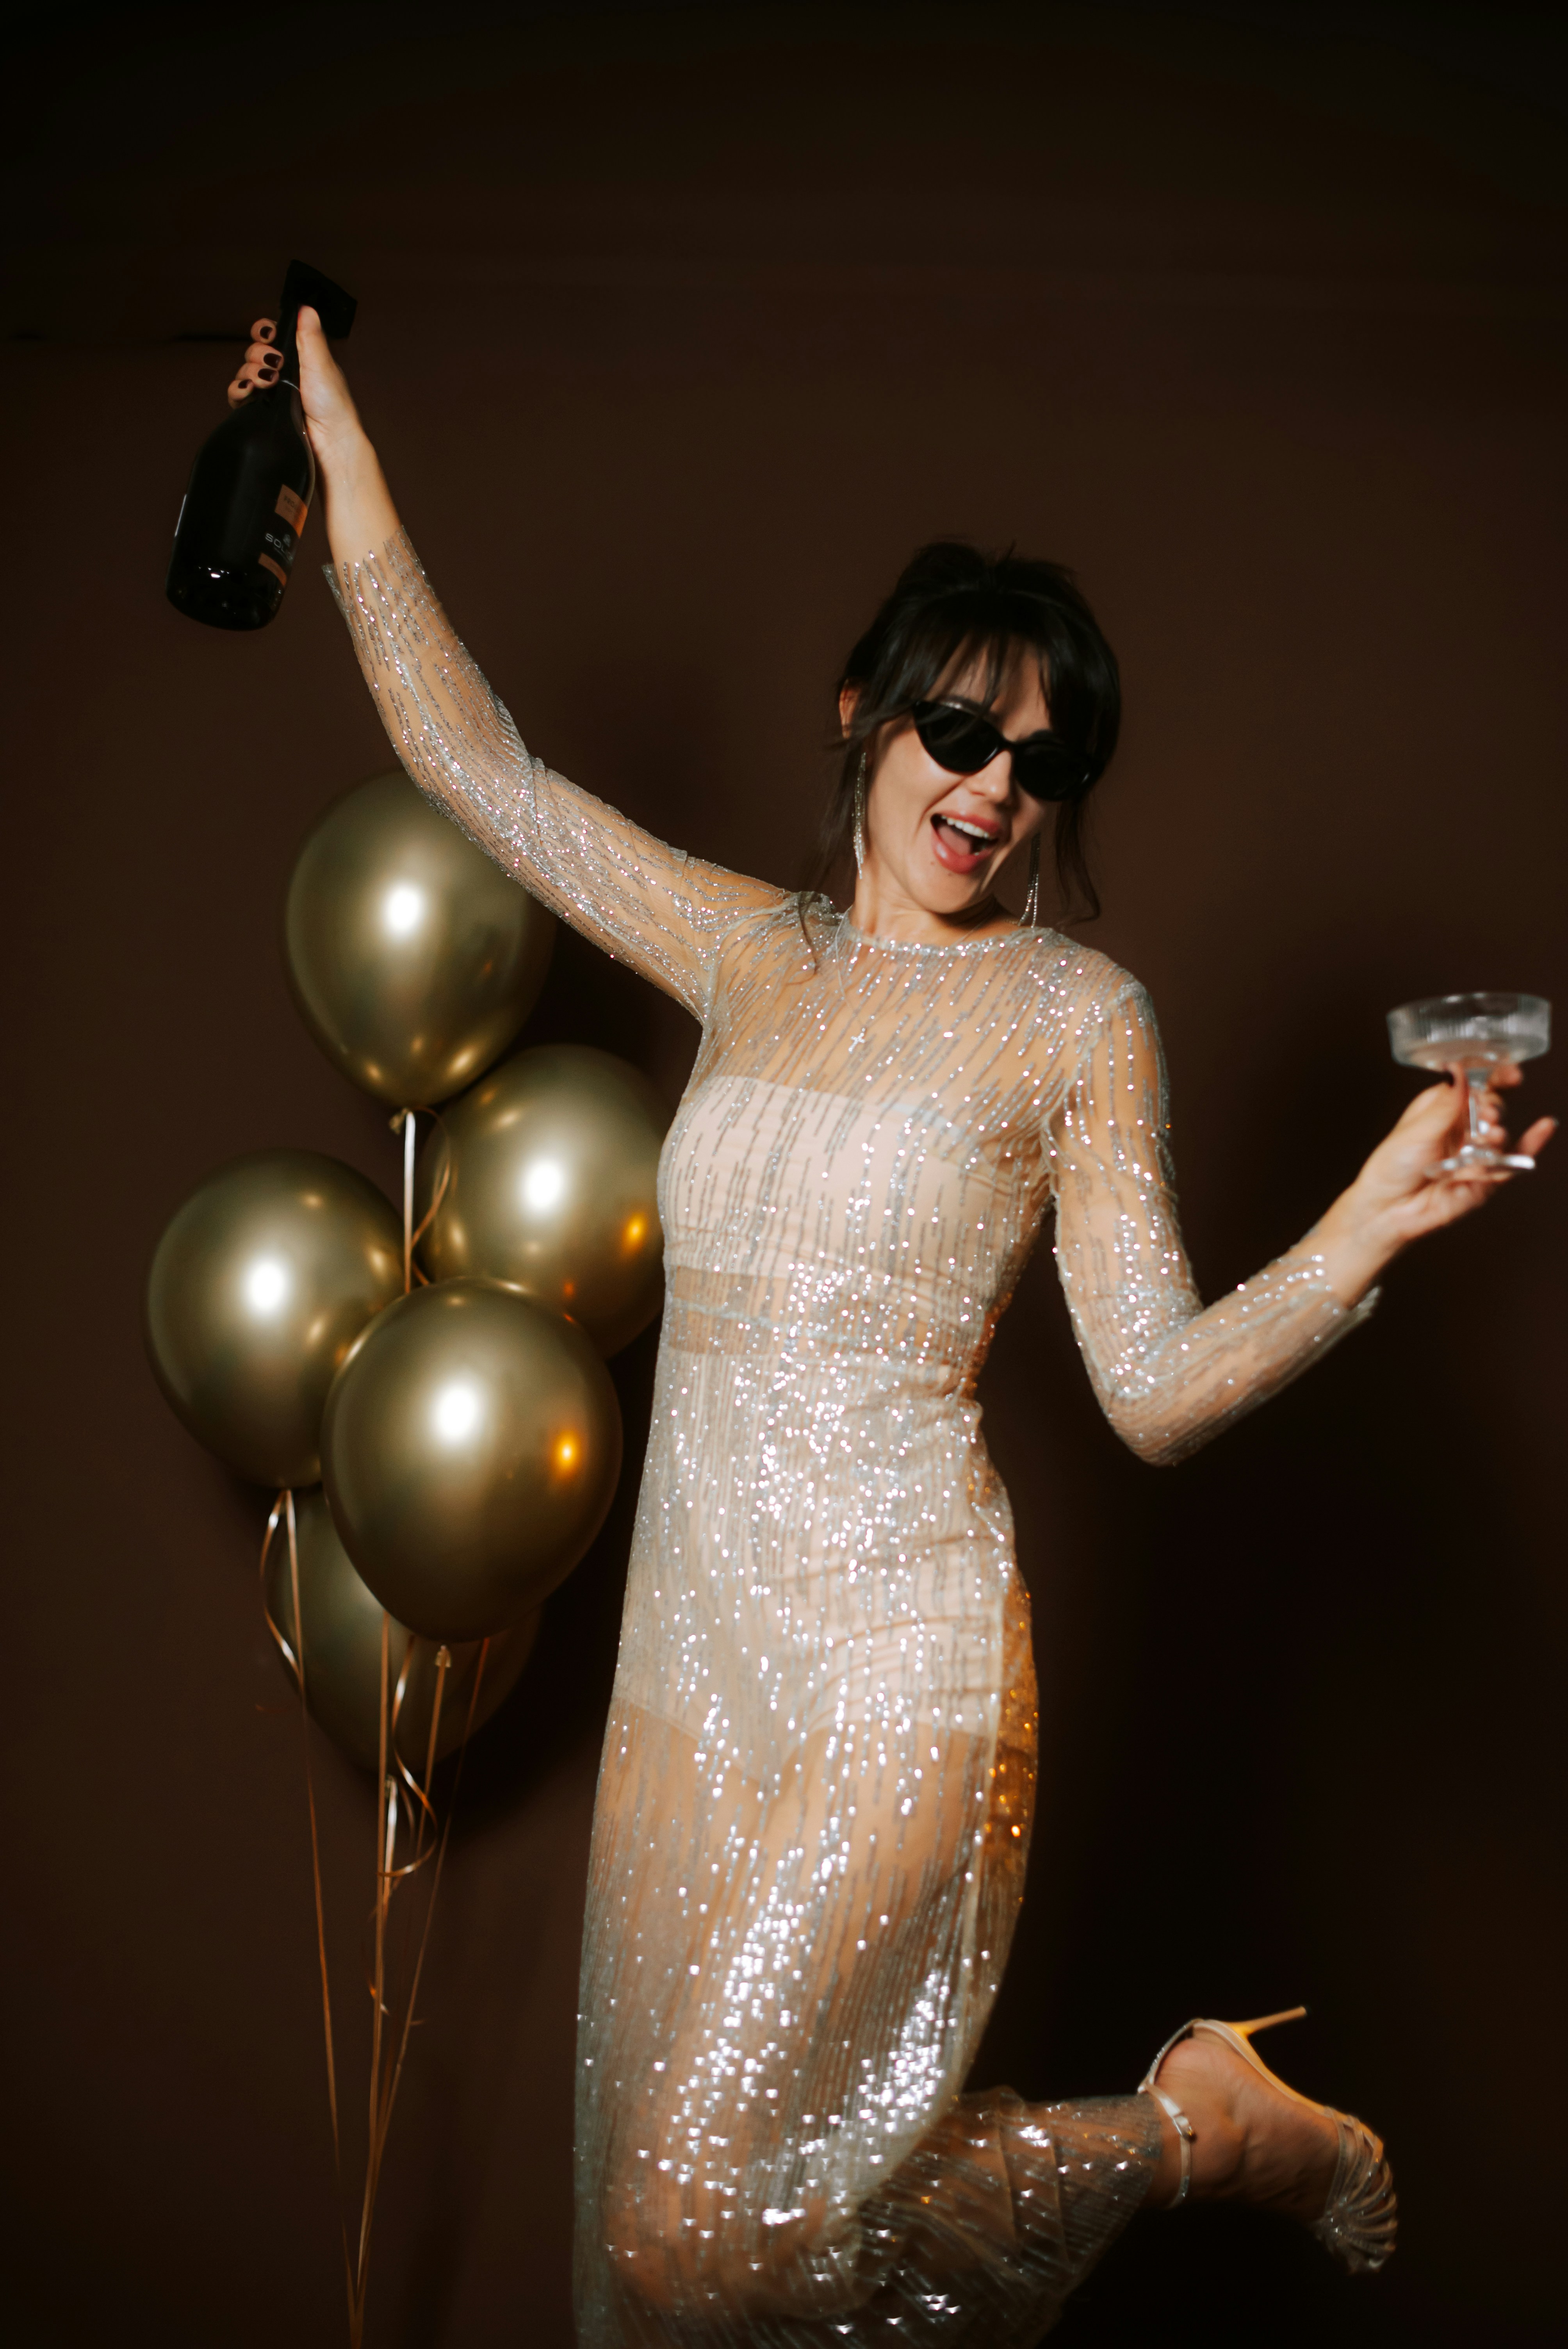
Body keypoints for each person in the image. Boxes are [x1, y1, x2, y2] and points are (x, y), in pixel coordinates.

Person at [231, 311, 1553, 2345]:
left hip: (894, 1666)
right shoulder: (749, 955)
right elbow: (471, 760)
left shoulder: (1076, 1022)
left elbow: (1157, 1394)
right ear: (865, 711)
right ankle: (1196, 2116)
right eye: (961, 731)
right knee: (690, 2270)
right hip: (700, 1661)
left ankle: (1204, 2133)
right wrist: (338, 459)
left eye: (1048, 762)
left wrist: (1371, 1219)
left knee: (697, 2232)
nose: (998, 788)